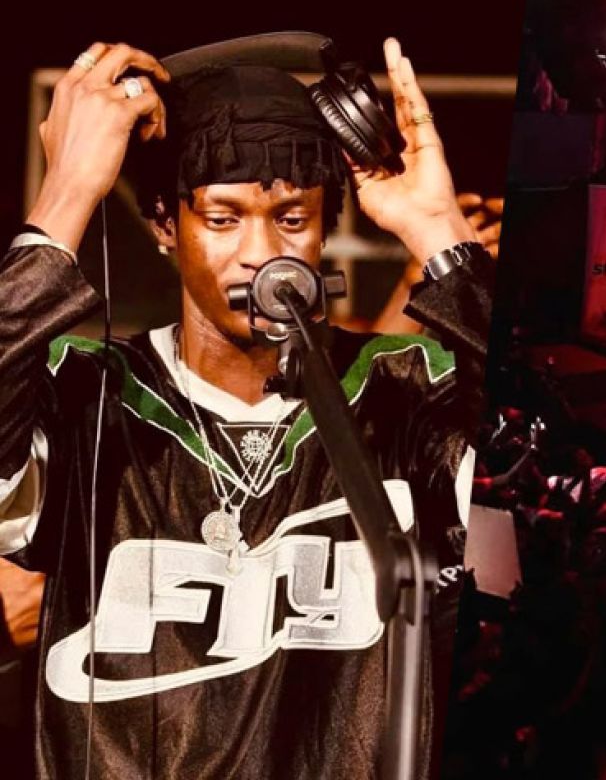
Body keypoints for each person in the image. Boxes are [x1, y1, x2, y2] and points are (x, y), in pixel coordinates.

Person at [1, 39, 492, 777]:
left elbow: (529, 470)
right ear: (166, 227)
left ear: (324, 227)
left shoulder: (404, 388)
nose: (260, 252)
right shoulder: (83, 392)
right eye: (223, 219)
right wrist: (66, 195)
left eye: (292, 218)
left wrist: (437, 230)